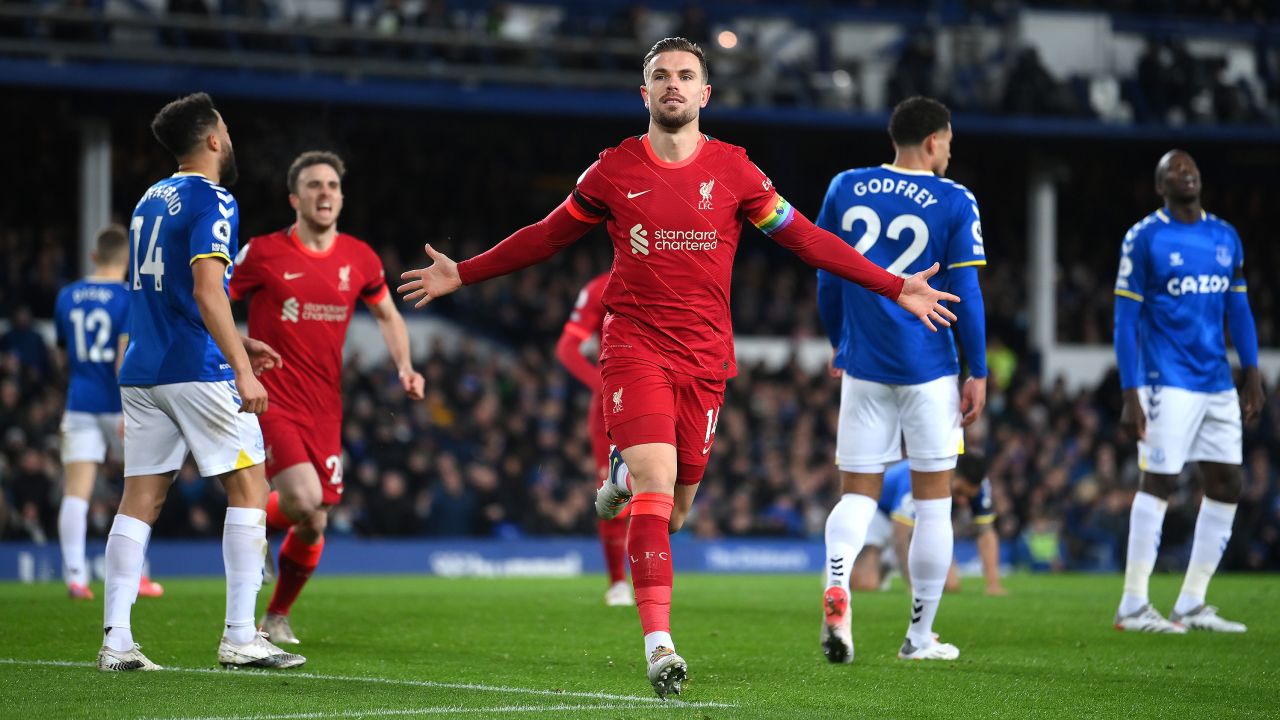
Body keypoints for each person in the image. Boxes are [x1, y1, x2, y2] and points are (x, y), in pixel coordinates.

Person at [397, 38, 960, 698]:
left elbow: (806, 237)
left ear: (704, 95)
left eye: (685, 76)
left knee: (676, 511)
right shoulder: (612, 170)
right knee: (656, 484)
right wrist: (464, 272)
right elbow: (547, 234)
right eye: (659, 75)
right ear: (645, 94)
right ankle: (659, 644)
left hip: (705, 362)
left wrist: (894, 285)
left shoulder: (737, 172)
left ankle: (621, 474)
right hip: (634, 348)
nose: (672, 84)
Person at [98, 92, 304, 671]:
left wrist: (237, 341)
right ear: (213, 139)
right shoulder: (214, 197)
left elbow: (172, 297)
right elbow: (206, 290)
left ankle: (116, 641)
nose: (230, 140)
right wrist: (240, 367)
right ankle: (240, 635)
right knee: (249, 487)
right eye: (227, 131)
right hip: (194, 367)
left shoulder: (148, 199)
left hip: (143, 368)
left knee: (140, 499)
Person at [814, 96, 987, 664]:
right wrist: (976, 369)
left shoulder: (845, 186)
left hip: (863, 365)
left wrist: (839, 339)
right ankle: (918, 637)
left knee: (857, 495)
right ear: (935, 141)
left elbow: (827, 275)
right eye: (951, 143)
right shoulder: (954, 198)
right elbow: (968, 294)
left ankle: (837, 592)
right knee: (934, 505)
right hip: (929, 370)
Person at [229, 150, 424, 644]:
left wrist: (404, 366)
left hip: (324, 408)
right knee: (303, 498)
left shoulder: (359, 258)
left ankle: (274, 616)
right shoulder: (263, 253)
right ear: (295, 198)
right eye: (314, 185)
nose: (325, 194)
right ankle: (252, 531)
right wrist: (233, 360)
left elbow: (386, 314)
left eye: (333, 186)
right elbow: (213, 301)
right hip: (271, 399)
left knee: (315, 522)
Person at [1111, 149, 1258, 634]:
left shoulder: (1225, 236)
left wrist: (1251, 372)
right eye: (1174, 170)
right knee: (1159, 481)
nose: (1186, 172)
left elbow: (1238, 309)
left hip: (1216, 380)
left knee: (1227, 483)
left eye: (1191, 166)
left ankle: (1191, 602)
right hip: (1164, 380)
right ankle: (1133, 604)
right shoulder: (1145, 237)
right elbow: (1125, 318)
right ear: (1161, 187)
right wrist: (1131, 391)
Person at [54, 224, 163, 601]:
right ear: (127, 261)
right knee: (141, 489)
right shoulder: (129, 297)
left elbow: (63, 352)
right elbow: (123, 360)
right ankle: (138, 576)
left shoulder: (67, 295)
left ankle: (75, 578)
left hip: (79, 403)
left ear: (94, 256)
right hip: (118, 408)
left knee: (76, 493)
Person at [555, 271, 632, 607]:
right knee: (615, 495)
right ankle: (618, 583)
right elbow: (567, 348)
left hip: (661, 400)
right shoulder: (599, 288)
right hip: (612, 408)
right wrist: (603, 384)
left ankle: (652, 582)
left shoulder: (670, 275)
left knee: (659, 493)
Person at [848, 457, 1006, 597]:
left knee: (950, 586)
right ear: (950, 475)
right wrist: (913, 585)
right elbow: (900, 534)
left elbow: (986, 533)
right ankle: (850, 567)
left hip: (925, 520)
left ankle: (889, 561)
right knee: (866, 584)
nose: (963, 501)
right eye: (958, 493)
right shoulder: (919, 476)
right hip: (881, 514)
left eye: (969, 496)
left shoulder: (981, 484)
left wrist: (993, 585)